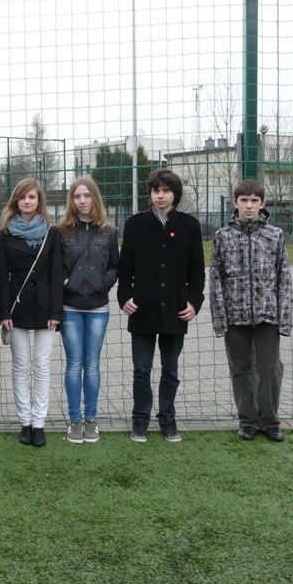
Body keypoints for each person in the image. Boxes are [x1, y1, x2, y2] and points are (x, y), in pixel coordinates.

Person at [117, 169, 205, 444]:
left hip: (175, 311)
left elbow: (197, 272)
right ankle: (140, 419)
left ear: (175, 194)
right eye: (156, 191)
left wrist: (194, 302)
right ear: (151, 193)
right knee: (141, 370)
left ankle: (168, 418)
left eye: (166, 191)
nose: (161, 195)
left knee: (170, 371)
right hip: (142, 310)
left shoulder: (189, 226)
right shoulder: (135, 225)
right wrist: (125, 296)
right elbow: (125, 268)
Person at [210, 179, 293, 442]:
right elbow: (216, 279)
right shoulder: (223, 236)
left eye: (254, 200)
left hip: (268, 315)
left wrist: (284, 318)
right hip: (235, 316)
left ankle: (270, 421)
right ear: (235, 203)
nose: (249, 205)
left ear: (262, 203)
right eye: (244, 200)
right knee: (240, 369)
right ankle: (247, 420)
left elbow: (284, 278)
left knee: (270, 369)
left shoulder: (275, 235)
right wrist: (220, 318)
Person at [0, 178, 63, 447]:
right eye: (23, 197)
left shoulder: (52, 233)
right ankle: (24, 421)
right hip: (17, 309)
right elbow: (1, 276)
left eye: (32, 197)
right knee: (20, 364)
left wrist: (55, 310)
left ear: (39, 201)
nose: (27, 201)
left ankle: (39, 423)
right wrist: (4, 312)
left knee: (42, 365)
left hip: (46, 308)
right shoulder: (6, 233)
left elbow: (56, 273)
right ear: (16, 200)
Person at [58, 177, 119, 444]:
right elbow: (57, 265)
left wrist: (102, 284)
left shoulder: (109, 232)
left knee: (92, 363)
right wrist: (66, 282)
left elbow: (115, 266)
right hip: (70, 307)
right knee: (74, 363)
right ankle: (74, 420)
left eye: (86, 195)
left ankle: (91, 419)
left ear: (95, 198)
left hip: (98, 308)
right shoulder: (62, 231)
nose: (82, 201)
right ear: (71, 200)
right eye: (77, 196)